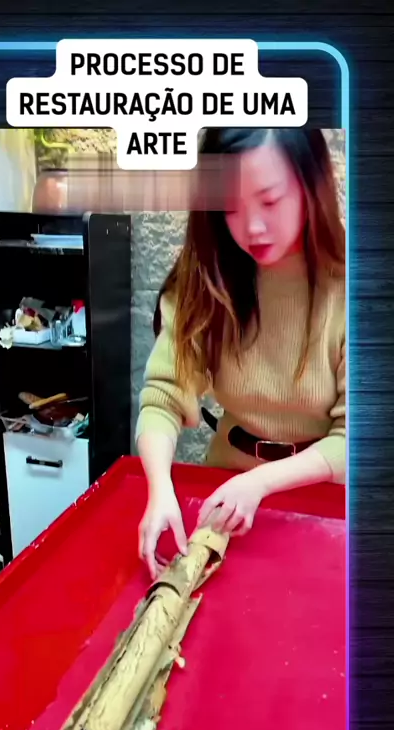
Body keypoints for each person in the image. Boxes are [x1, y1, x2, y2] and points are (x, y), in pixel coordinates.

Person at [135, 128, 346, 579]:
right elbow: (163, 397)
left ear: (311, 185)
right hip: (225, 491)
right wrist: (160, 488)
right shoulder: (207, 276)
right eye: (230, 207)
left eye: (269, 200)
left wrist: (260, 482)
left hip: (327, 504)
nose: (251, 228)